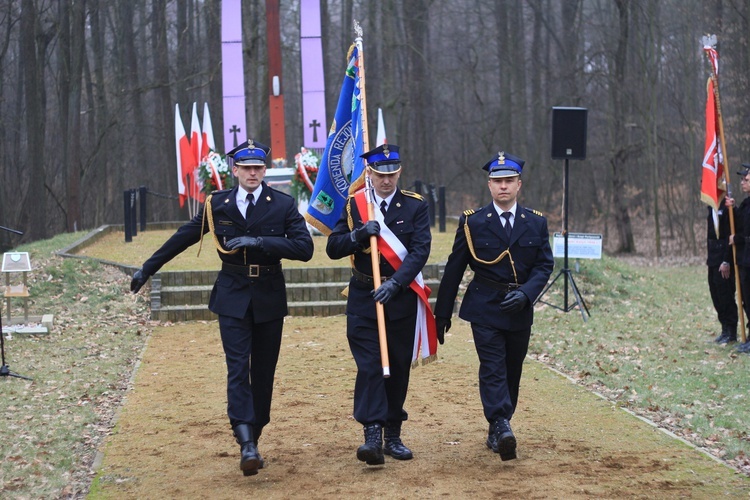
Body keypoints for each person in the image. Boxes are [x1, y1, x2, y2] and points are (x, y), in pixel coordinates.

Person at [129, 140, 314, 476]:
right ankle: (245, 440)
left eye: (258, 167)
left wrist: (260, 242)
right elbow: (185, 236)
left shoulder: (282, 205)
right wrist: (148, 267)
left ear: (264, 170)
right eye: (246, 168)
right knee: (236, 366)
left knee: (263, 372)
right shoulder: (218, 204)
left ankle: (254, 435)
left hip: (269, 296)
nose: (253, 173)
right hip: (232, 294)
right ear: (235, 170)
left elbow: (304, 248)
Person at [433, 151, 553, 461]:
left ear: (519, 185)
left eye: (509, 181)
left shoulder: (536, 223)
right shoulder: (474, 222)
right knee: (493, 367)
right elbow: (455, 265)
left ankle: (499, 427)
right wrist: (442, 312)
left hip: (519, 308)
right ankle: (500, 423)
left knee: (512, 369)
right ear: (489, 185)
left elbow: (544, 265)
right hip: (485, 306)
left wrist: (527, 294)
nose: (503, 187)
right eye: (498, 181)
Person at [326, 144, 432, 466]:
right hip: (363, 298)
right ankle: (372, 433)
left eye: (392, 173)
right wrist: (358, 235)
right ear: (369, 173)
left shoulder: (415, 206)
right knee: (371, 366)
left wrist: (396, 283)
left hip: (399, 299)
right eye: (380, 174)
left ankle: (393, 434)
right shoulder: (355, 205)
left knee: (397, 368)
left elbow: (420, 250)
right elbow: (333, 247)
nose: (386, 180)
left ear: (399, 172)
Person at [705, 196, 738, 345]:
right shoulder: (710, 209)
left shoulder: (726, 210)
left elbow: (728, 238)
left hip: (723, 258)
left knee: (726, 295)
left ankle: (731, 331)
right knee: (716, 294)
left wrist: (727, 260)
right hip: (712, 258)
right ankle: (724, 328)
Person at [726, 164, 750, 351]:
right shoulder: (746, 203)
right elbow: (740, 223)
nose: (742, 183)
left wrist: (739, 239)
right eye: (742, 179)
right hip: (744, 260)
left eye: (746, 179)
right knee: (746, 299)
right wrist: (733, 208)